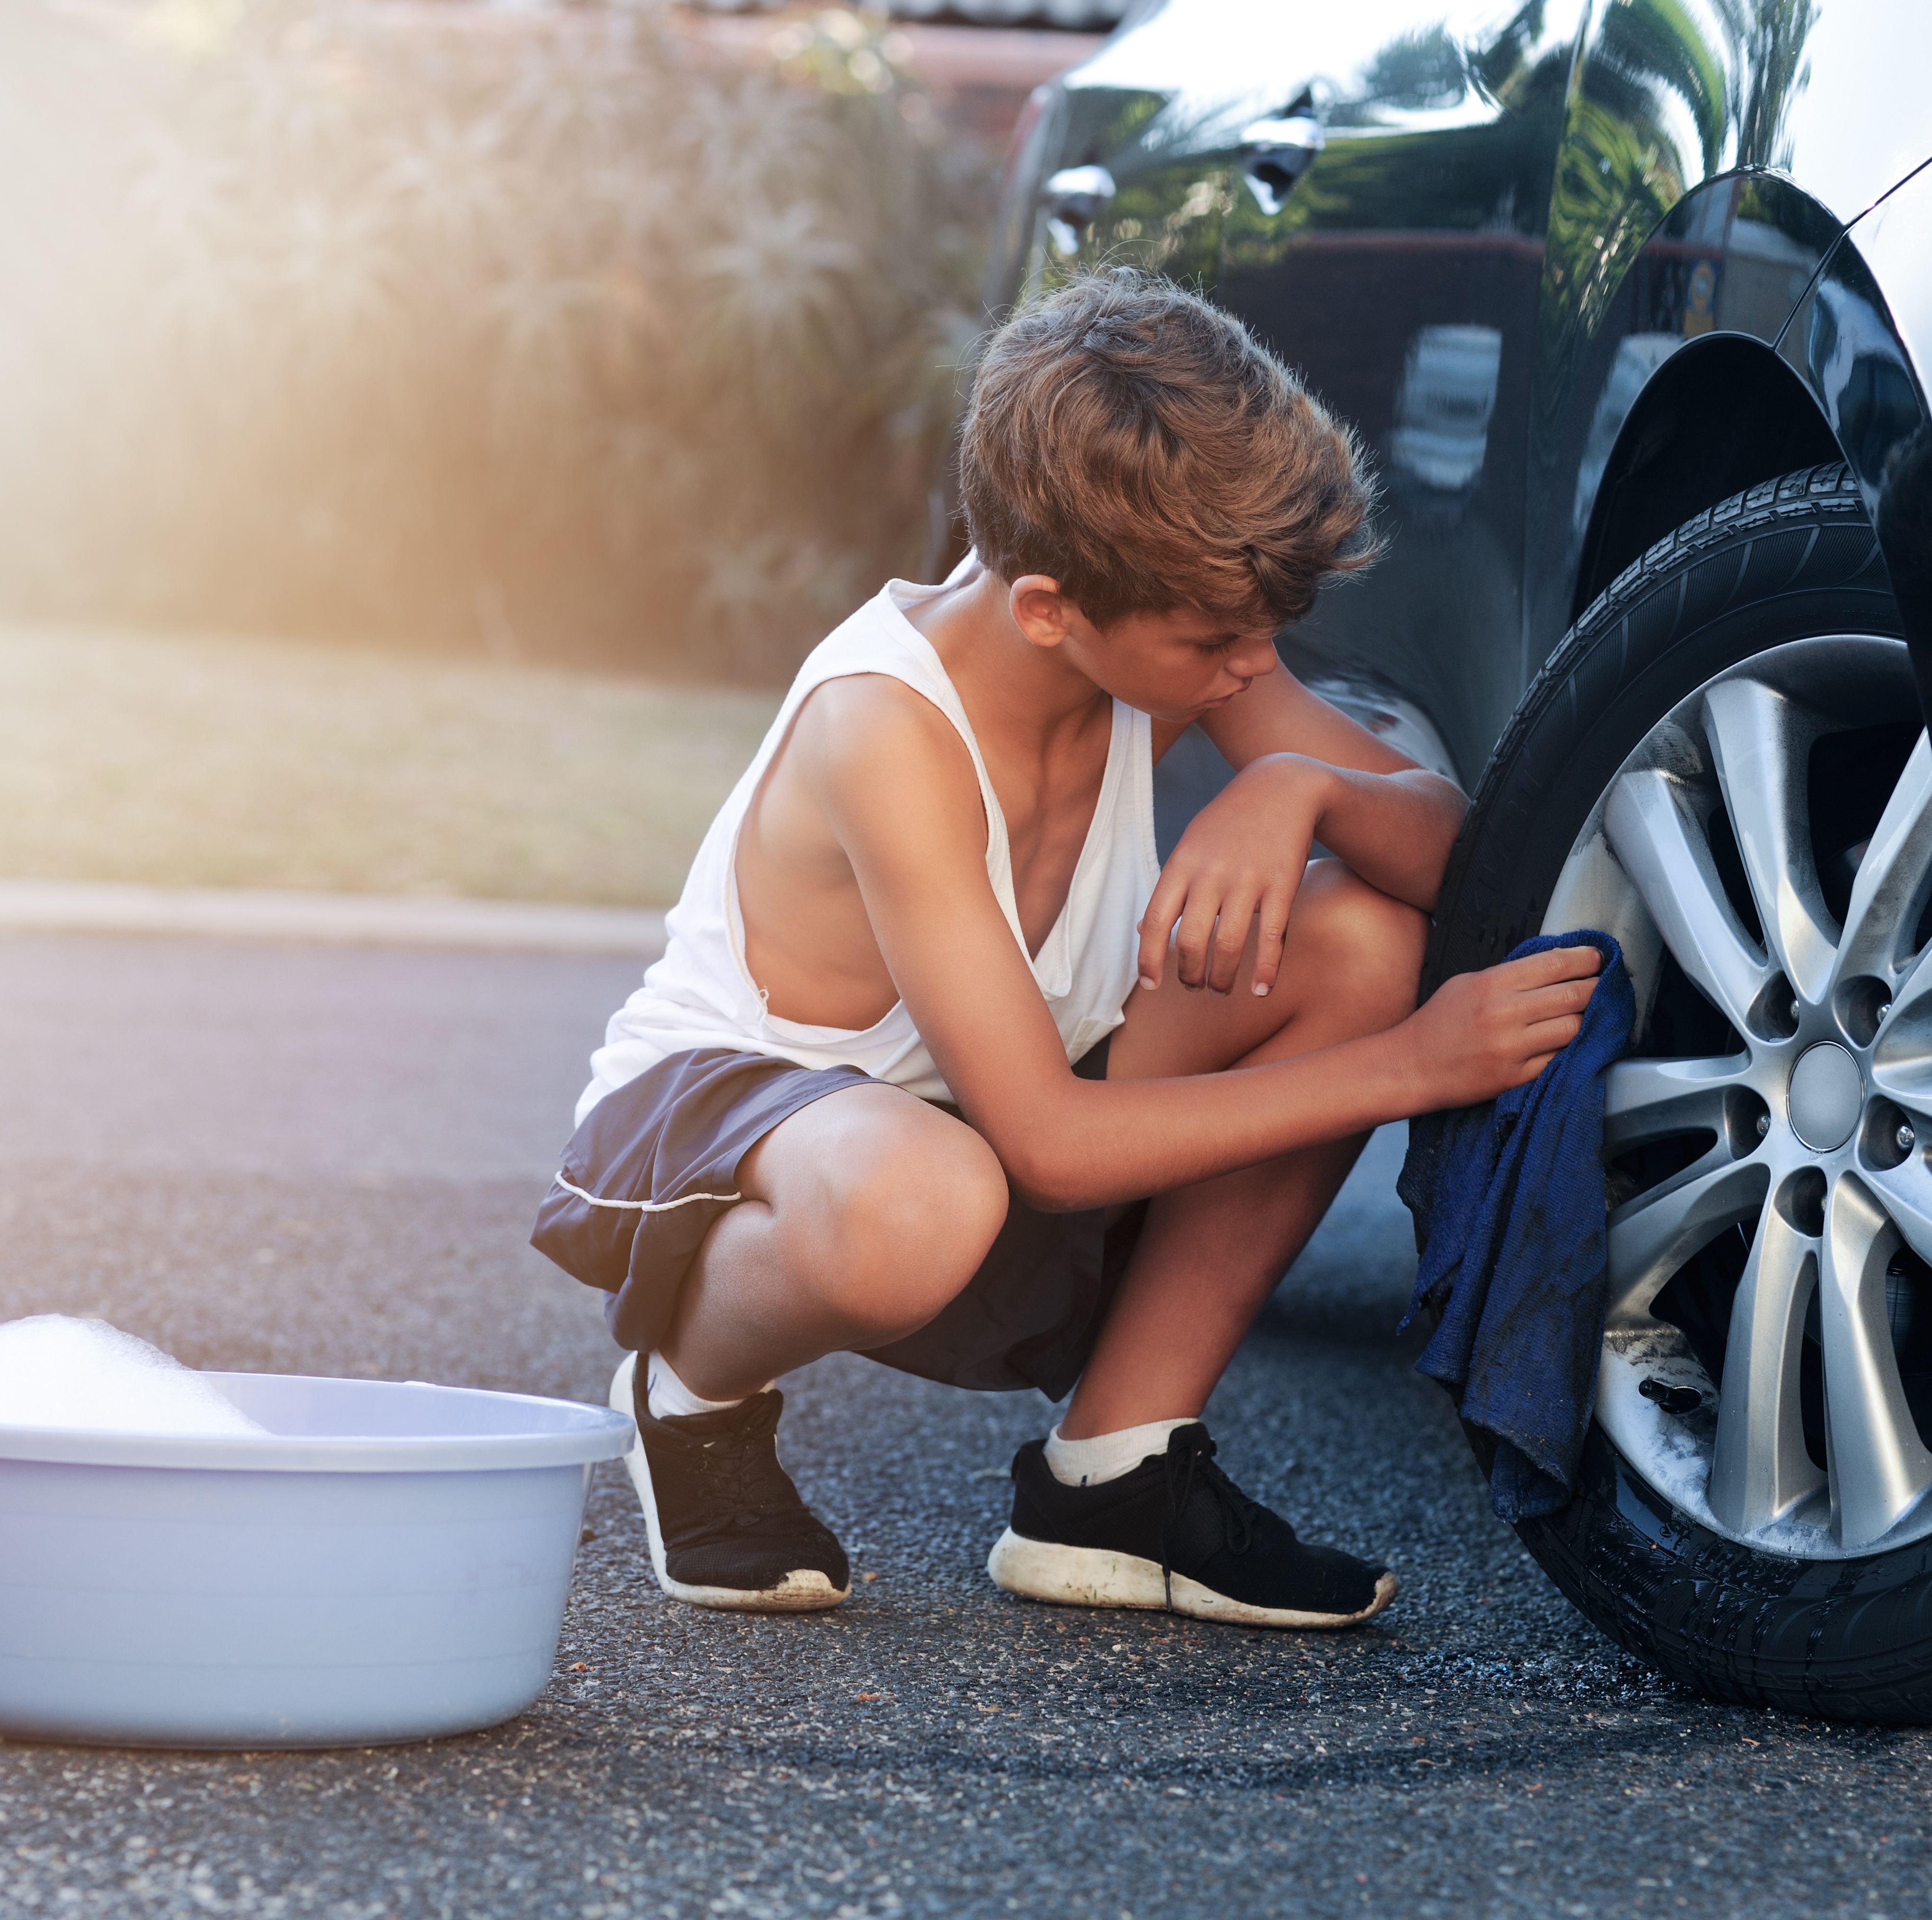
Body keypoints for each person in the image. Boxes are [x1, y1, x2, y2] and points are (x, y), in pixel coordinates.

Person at [534, 270, 1601, 1630]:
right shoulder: (888, 731)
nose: (1252, 667)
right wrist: (1415, 1070)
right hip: (752, 1118)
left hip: (1004, 1103)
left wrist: (1306, 791)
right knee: (923, 1195)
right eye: (1220, 640)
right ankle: (688, 1392)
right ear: (1049, 607)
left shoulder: (1165, 626)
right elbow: (1042, 1145)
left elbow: (1463, 871)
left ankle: (1113, 1476)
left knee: (1357, 934)